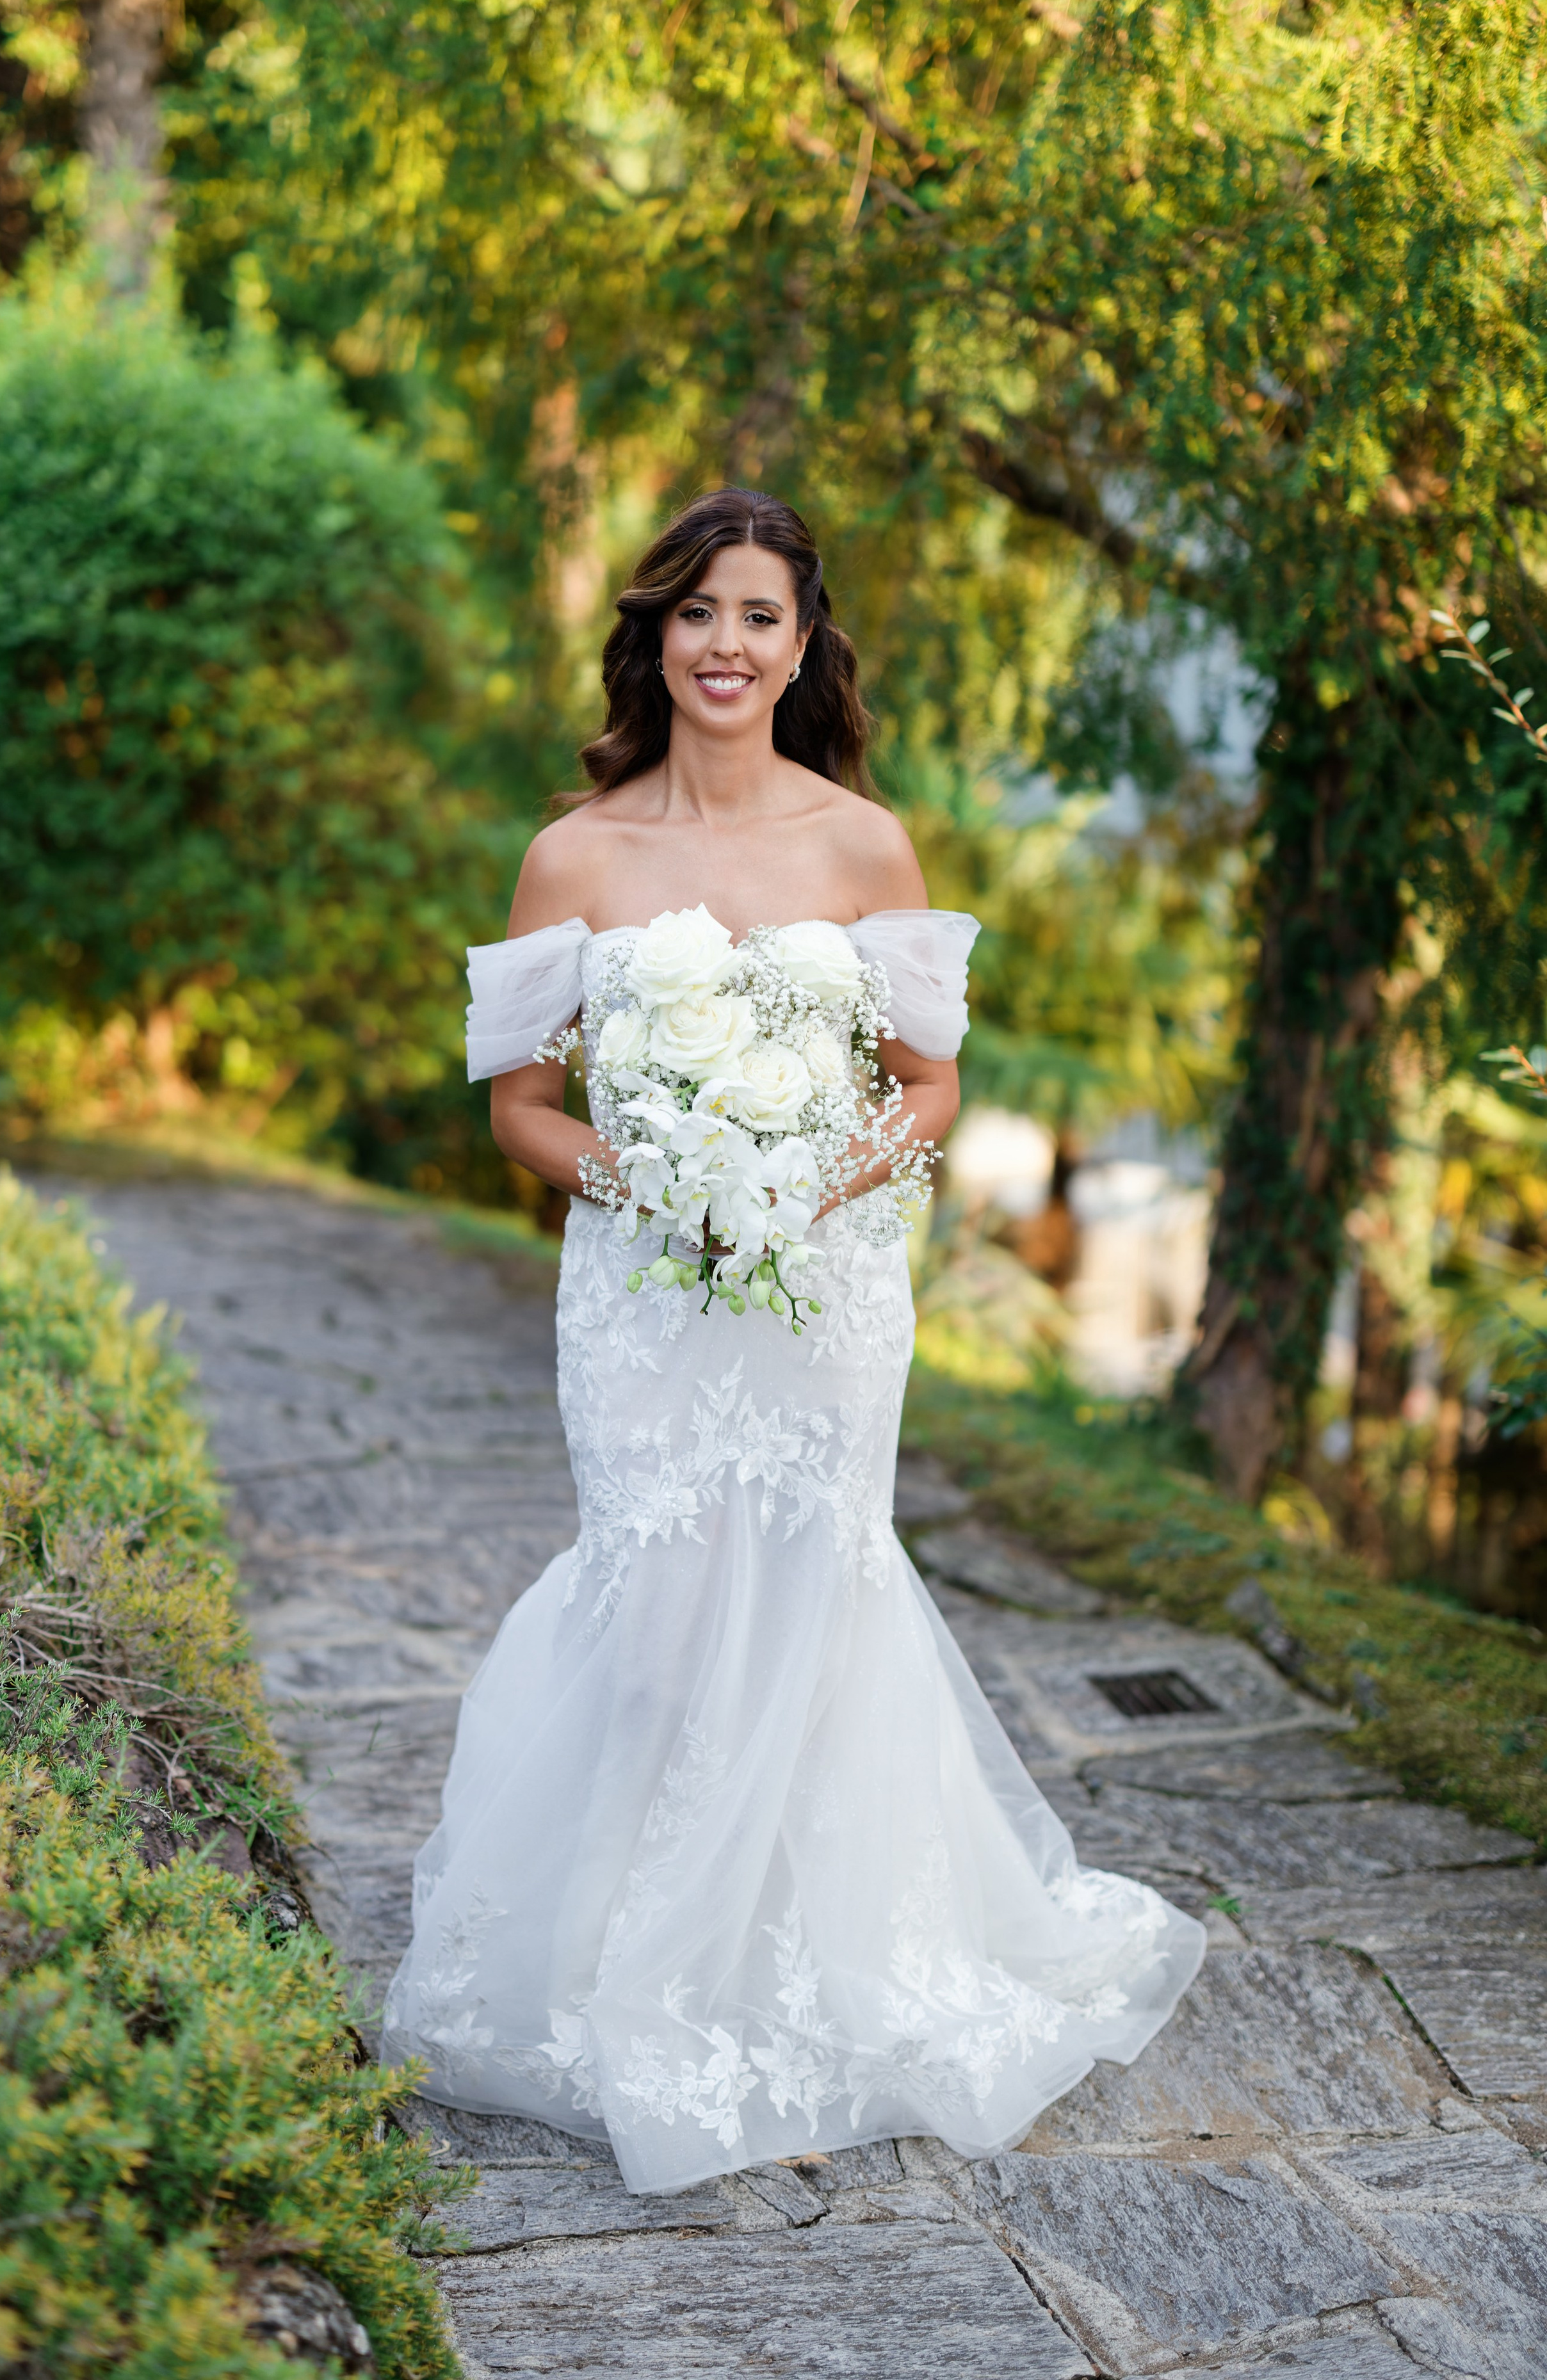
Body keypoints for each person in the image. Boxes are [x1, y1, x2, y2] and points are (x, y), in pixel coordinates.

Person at [382, 490, 1204, 2194]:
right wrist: (655, 1178)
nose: (726, 647)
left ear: (805, 640)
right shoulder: (576, 856)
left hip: (826, 1287)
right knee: (658, 1593)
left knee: (814, 1587)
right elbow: (523, 1112)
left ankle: (802, 1964)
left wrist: (804, 1182)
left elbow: (928, 1086)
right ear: (654, 639)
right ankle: (621, 1961)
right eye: (695, 615)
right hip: (640, 1280)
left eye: (758, 616)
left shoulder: (864, 845)